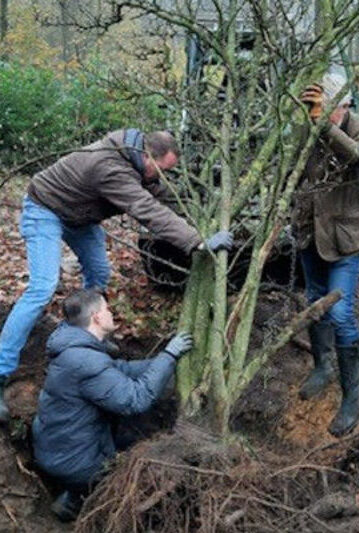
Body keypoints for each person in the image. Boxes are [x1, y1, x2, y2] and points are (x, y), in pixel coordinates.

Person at [0, 129, 233, 420]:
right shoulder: (109, 166)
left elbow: (160, 193)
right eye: (161, 170)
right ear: (148, 156)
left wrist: (200, 206)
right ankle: (1, 371)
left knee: (98, 275)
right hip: (46, 208)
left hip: (80, 216)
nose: (162, 177)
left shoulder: (136, 160)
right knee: (43, 287)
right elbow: (145, 207)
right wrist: (196, 241)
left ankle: (86, 337)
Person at [32, 288, 193, 521]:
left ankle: (73, 495)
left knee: (128, 438)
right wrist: (169, 355)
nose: (111, 314)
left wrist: (165, 364)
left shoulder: (73, 350)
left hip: (55, 451)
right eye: (107, 309)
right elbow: (136, 400)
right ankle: (85, 500)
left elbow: (121, 370)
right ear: (97, 317)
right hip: (74, 464)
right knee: (139, 459)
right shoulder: (86, 361)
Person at [293, 72, 359, 437]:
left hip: (347, 236)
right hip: (311, 232)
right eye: (317, 108)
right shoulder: (306, 129)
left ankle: (353, 396)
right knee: (315, 299)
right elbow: (293, 173)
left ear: (343, 105)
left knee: (341, 313)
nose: (320, 114)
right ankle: (322, 366)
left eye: (328, 109)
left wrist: (323, 126)